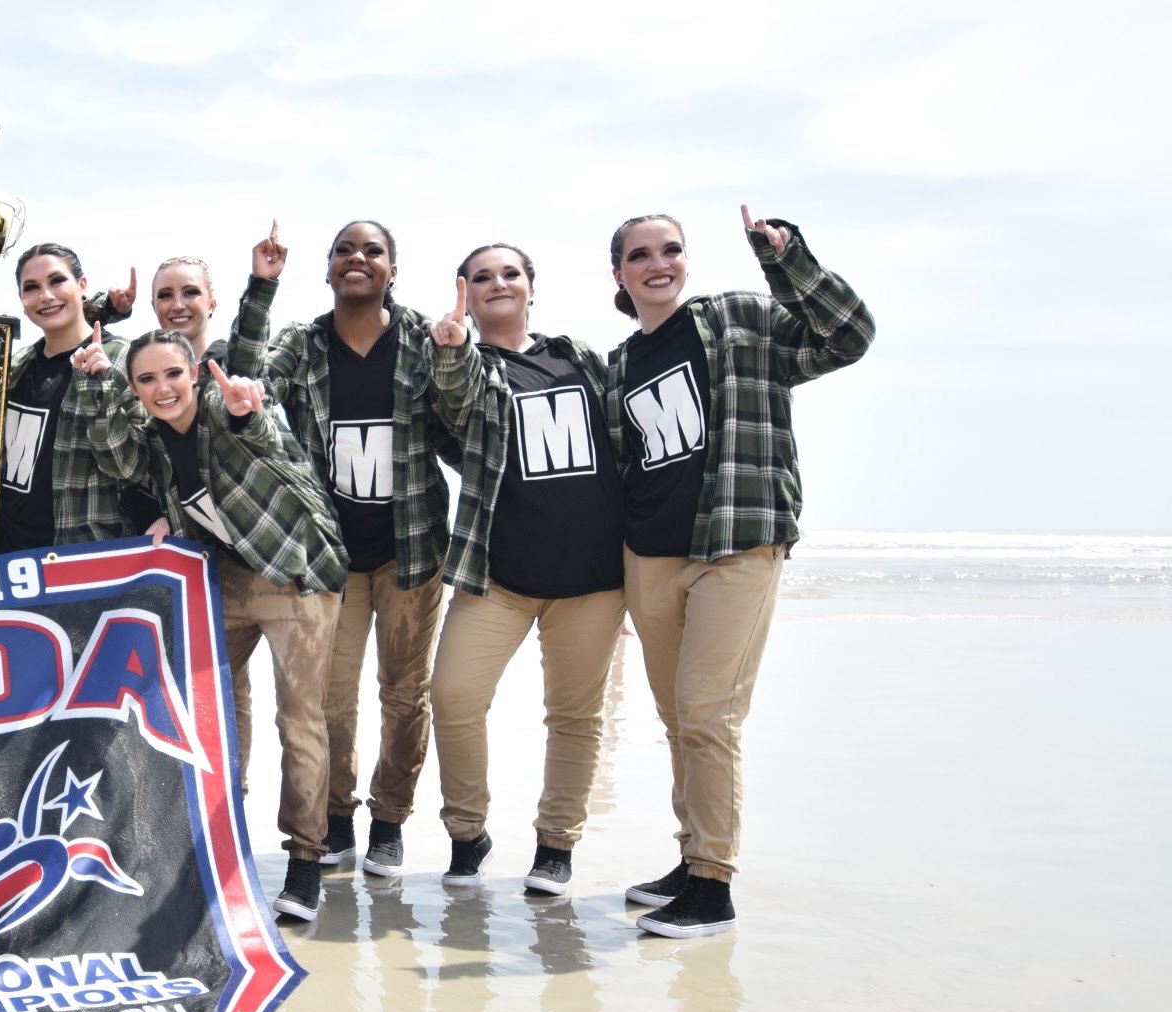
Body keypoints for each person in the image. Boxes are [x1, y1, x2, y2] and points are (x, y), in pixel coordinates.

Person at [607, 207, 874, 937]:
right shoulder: (620, 364)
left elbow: (847, 338)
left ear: (685, 261)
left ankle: (714, 886)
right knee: (677, 721)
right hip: (652, 556)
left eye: (670, 250)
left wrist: (787, 259)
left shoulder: (741, 320)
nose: (657, 263)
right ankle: (690, 857)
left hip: (738, 542)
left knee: (707, 715)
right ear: (621, 275)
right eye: (640, 256)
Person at [71, 329, 348, 923]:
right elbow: (116, 458)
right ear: (134, 388)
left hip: (291, 571)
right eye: (145, 380)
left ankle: (304, 863)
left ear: (194, 372)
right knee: (200, 715)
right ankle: (224, 845)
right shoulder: (151, 437)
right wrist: (95, 385)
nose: (162, 389)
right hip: (222, 578)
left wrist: (252, 409)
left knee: (299, 720)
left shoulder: (226, 407)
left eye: (172, 374)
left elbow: (262, 429)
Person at [227, 220, 460, 879]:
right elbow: (248, 384)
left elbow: (463, 415)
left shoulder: (421, 337)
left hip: (412, 553)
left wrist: (458, 352)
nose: (357, 258)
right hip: (330, 557)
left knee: (404, 695)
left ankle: (389, 821)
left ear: (392, 268)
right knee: (330, 699)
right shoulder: (304, 344)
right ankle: (335, 820)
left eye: (372, 251)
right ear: (328, 269)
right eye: (343, 251)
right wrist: (260, 288)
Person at [424, 245, 628, 896]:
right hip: (499, 575)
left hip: (593, 578)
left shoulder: (579, 358)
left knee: (574, 715)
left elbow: (627, 443)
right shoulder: (466, 366)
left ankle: (555, 844)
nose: (497, 284)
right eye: (481, 277)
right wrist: (452, 352)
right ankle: (467, 832)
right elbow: (453, 411)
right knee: (454, 696)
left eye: (510, 273)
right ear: (467, 293)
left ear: (531, 287)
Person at [0, 244, 136, 554]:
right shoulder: (15, 366)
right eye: (31, 287)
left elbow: (132, 469)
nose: (45, 295)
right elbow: (2, 456)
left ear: (83, 286)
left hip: (84, 560)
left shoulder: (122, 360)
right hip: (5, 558)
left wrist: (97, 393)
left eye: (57, 281)